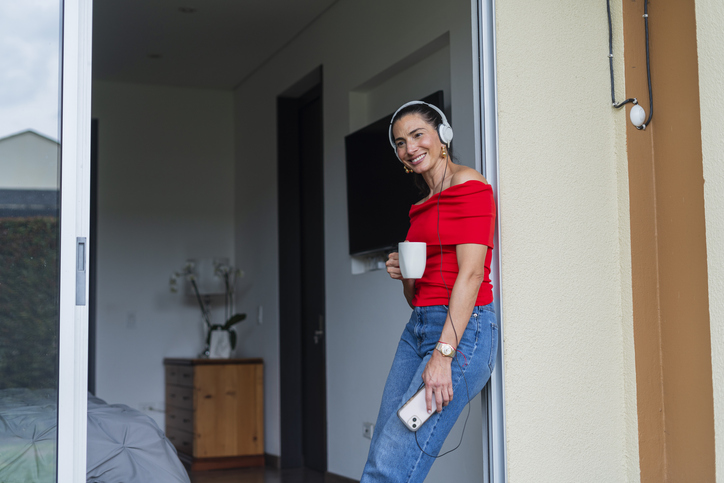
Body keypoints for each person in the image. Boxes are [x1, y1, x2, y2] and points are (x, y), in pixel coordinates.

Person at [360, 101, 498, 482]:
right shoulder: (419, 207)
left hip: (462, 334)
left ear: (443, 137)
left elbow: (470, 276)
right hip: (419, 325)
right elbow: (417, 296)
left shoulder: (470, 185)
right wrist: (404, 274)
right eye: (400, 143)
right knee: (384, 451)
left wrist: (444, 355)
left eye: (417, 134)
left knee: (390, 463)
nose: (410, 147)